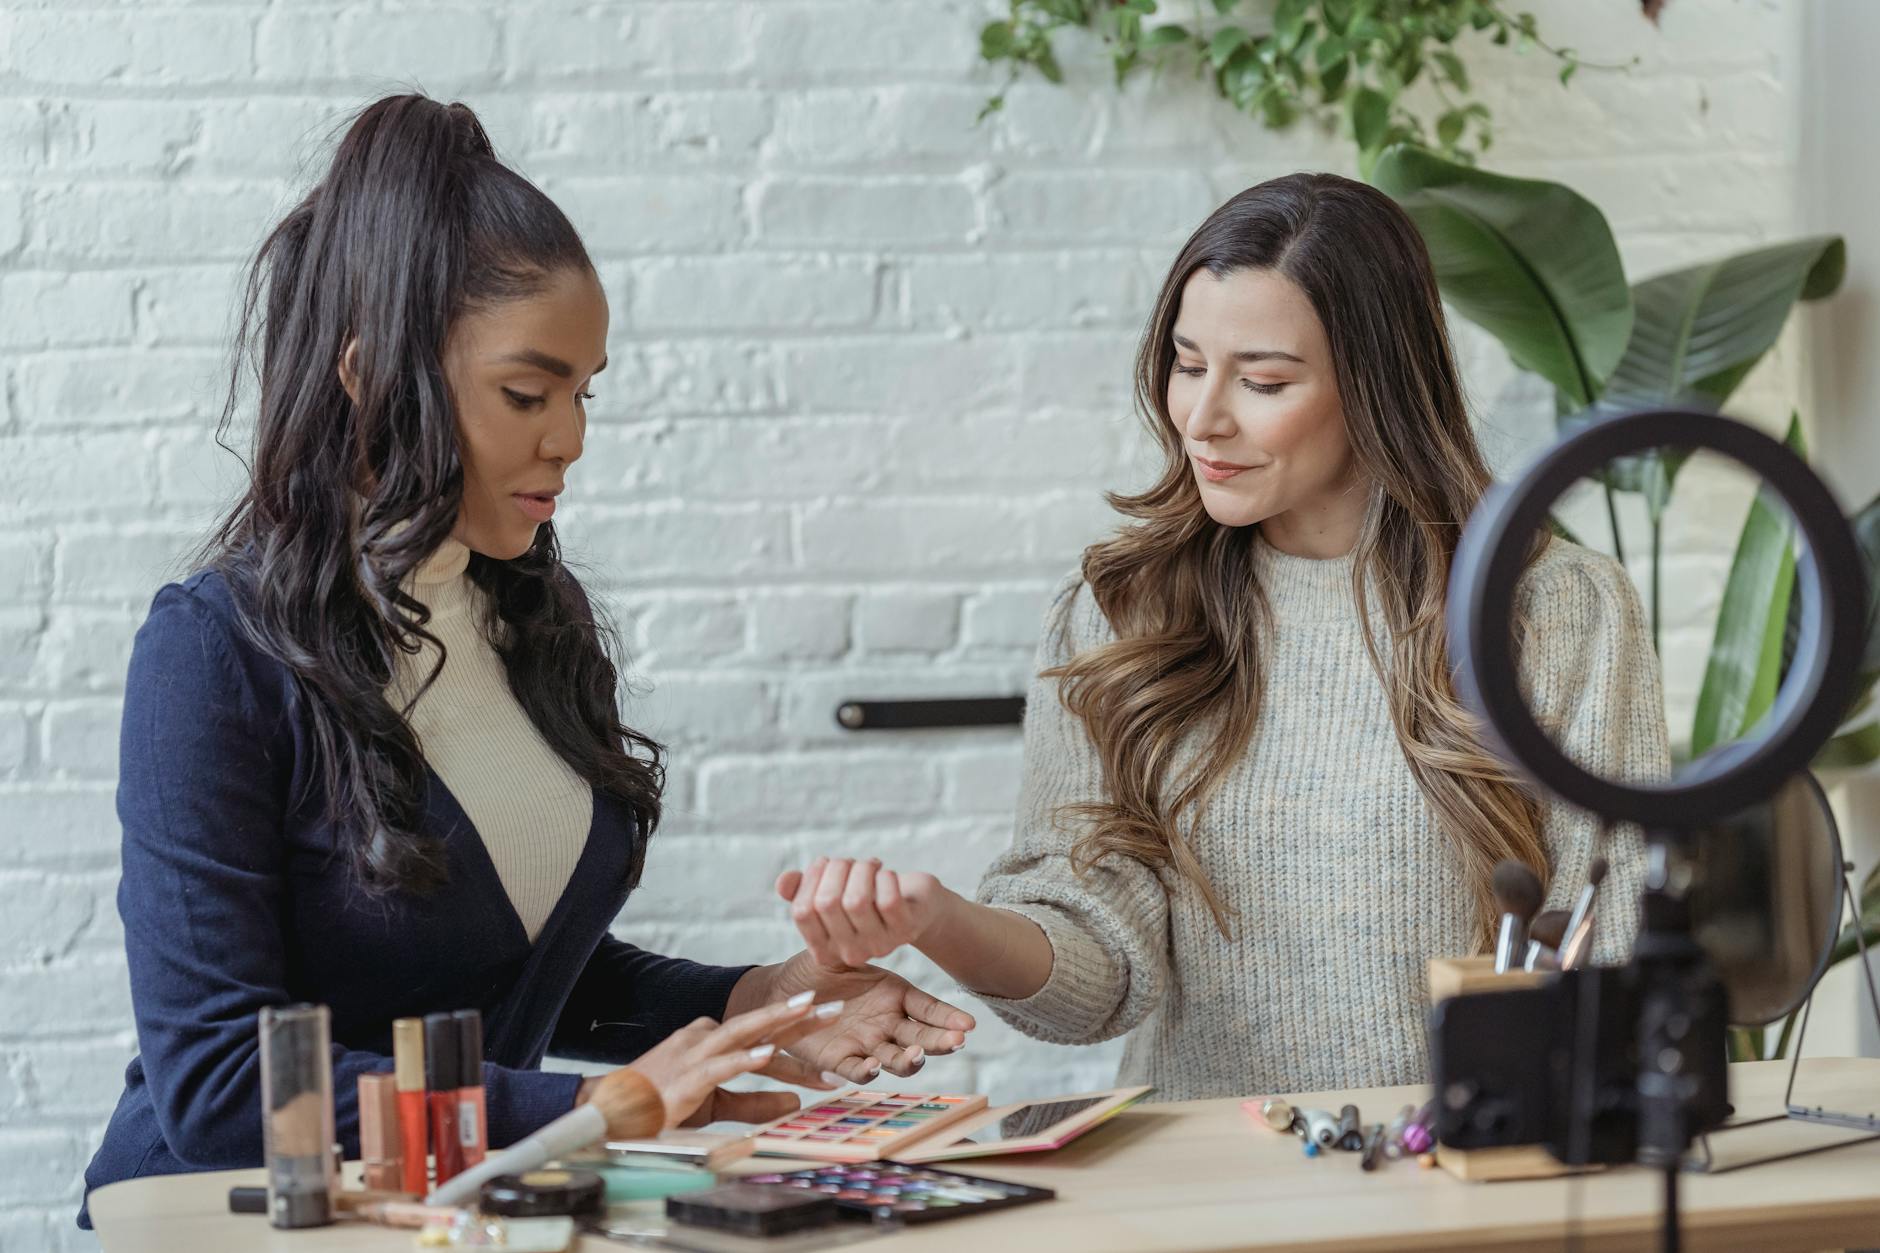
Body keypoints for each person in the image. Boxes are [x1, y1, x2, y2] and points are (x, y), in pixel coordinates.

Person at [78, 94, 973, 1226]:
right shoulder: (217, 649)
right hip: (239, 1220)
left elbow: (514, 966)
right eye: (525, 392)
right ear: (368, 373)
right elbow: (219, 1084)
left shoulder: (531, 617)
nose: (570, 436)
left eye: (582, 392)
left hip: (450, 1210)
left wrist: (771, 1000)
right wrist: (609, 1102)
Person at [777, 173, 1668, 1104]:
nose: (1202, 418)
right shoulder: (1119, 610)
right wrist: (937, 918)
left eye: (1264, 380)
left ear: (1376, 386)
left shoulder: (1554, 608)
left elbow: (1613, 943)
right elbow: (1102, 979)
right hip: (1210, 1187)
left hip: (1468, 1182)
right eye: (1188, 363)